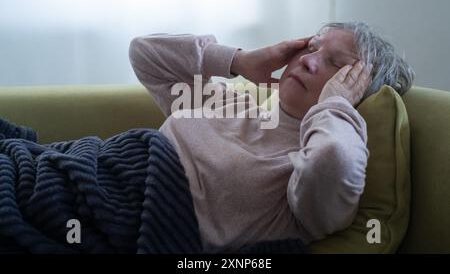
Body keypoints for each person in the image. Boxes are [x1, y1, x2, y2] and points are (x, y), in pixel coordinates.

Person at [128, 22, 415, 252]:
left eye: (336, 65)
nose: (308, 62)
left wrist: (334, 105)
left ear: (354, 92)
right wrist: (239, 61)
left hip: (123, 217)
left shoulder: (307, 164)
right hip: (100, 169)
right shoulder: (233, 103)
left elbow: (333, 160)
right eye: (310, 48)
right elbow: (144, 53)